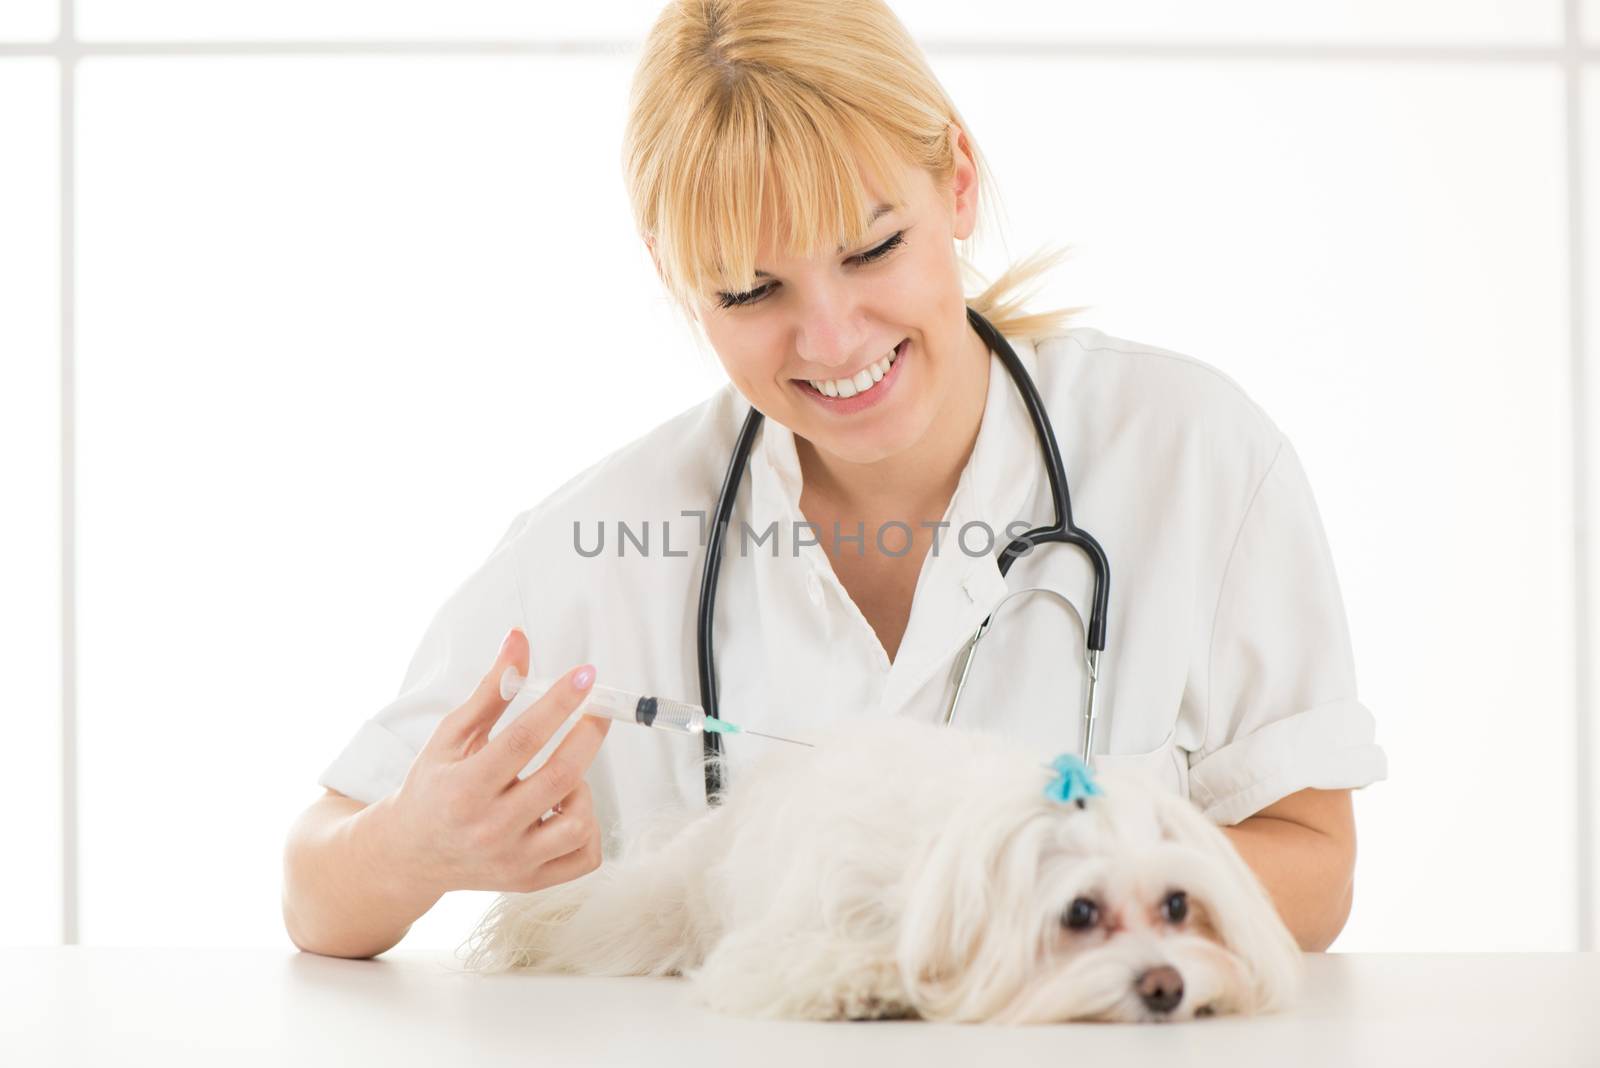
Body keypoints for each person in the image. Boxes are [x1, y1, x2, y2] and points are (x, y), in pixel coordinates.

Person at [282, 0, 1387, 961]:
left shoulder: (1192, 456)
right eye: (750, 290)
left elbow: (1312, 874)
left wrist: (1025, 872)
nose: (828, 336)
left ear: (954, 182)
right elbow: (315, 887)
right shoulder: (599, 541)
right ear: (679, 284)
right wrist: (415, 847)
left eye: (870, 250)